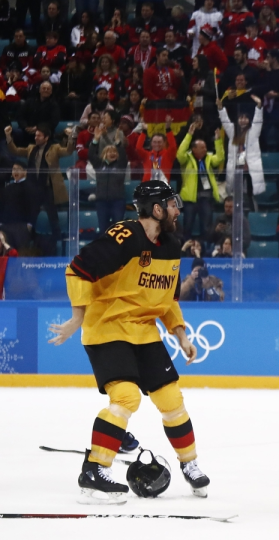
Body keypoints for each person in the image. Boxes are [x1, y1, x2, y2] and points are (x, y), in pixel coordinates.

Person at [48, 181, 210, 504]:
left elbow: (167, 299)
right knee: (125, 397)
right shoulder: (123, 237)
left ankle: (190, 464)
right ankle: (94, 471)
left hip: (143, 330)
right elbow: (77, 270)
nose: (178, 209)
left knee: (171, 398)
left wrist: (181, 333)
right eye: (172, 203)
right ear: (157, 210)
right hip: (107, 326)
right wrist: (77, 318)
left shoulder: (171, 244)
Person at [4, 123, 76, 252]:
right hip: (33, 188)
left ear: (46, 138)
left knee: (52, 216)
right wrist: (9, 136)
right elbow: (15, 150)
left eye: (39, 136)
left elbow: (68, 151)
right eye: (35, 135)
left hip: (48, 187)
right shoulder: (31, 148)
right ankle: (28, 241)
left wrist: (71, 136)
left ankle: (57, 242)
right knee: (31, 216)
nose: (36, 138)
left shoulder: (55, 148)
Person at [177, 120, 225, 240]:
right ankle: (186, 250)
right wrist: (189, 135)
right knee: (187, 226)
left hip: (206, 197)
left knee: (207, 227)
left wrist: (218, 141)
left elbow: (220, 158)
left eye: (205, 147)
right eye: (202, 148)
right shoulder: (187, 158)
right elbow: (179, 154)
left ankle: (205, 251)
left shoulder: (208, 157)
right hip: (190, 199)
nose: (205, 149)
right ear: (194, 149)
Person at [218, 94, 265, 209]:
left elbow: (258, 120)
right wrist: (220, 108)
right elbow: (225, 121)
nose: (243, 120)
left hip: (249, 170)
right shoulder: (232, 132)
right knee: (236, 196)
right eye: (241, 118)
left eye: (245, 118)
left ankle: (253, 215)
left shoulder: (253, 132)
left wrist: (259, 106)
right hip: (236, 170)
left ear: (249, 120)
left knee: (249, 196)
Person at [88, 143, 126, 235]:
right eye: (110, 152)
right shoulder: (99, 165)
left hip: (117, 201)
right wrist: (95, 142)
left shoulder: (121, 165)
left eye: (115, 152)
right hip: (102, 202)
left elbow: (124, 156)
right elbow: (91, 155)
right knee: (103, 229)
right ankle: (104, 248)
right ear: (104, 154)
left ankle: (118, 248)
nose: (113, 153)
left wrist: (118, 144)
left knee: (118, 230)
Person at [133, 117, 178, 184]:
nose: (157, 144)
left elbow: (173, 147)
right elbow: (138, 148)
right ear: (151, 143)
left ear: (164, 143)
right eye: (154, 142)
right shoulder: (147, 155)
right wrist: (144, 131)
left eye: (159, 142)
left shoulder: (168, 155)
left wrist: (168, 129)